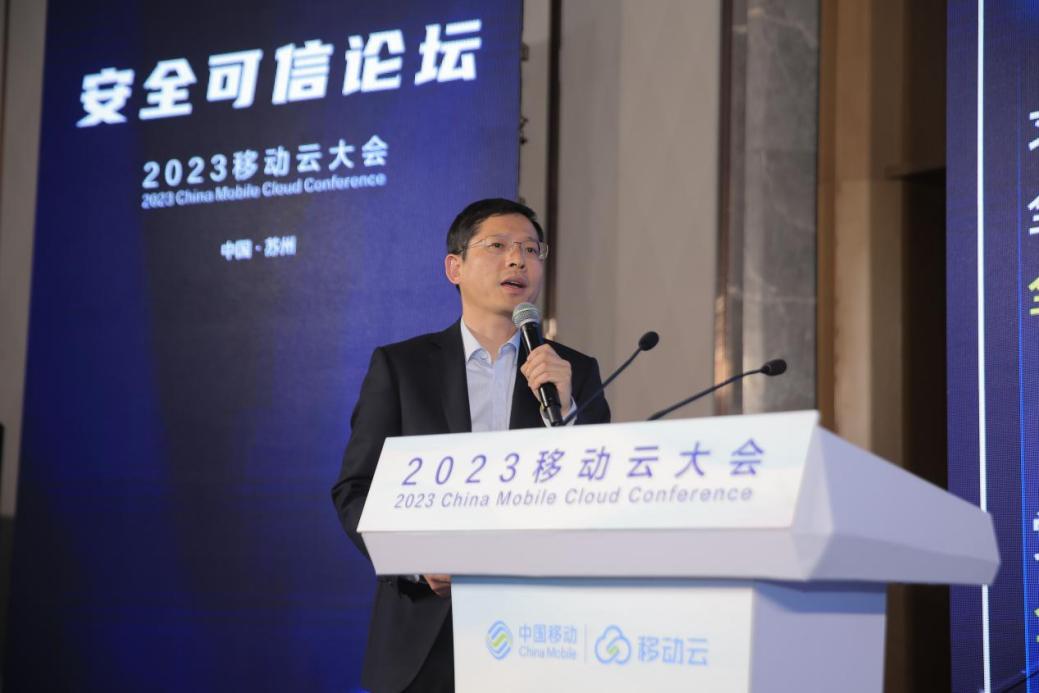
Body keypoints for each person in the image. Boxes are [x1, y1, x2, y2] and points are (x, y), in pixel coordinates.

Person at [331, 198, 611, 692]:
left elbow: (600, 490)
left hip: (542, 630)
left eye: (531, 249)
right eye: (498, 246)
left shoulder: (572, 371)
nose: (518, 260)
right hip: (426, 635)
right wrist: (415, 562)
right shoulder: (402, 367)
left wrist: (565, 411)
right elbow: (356, 488)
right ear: (454, 268)